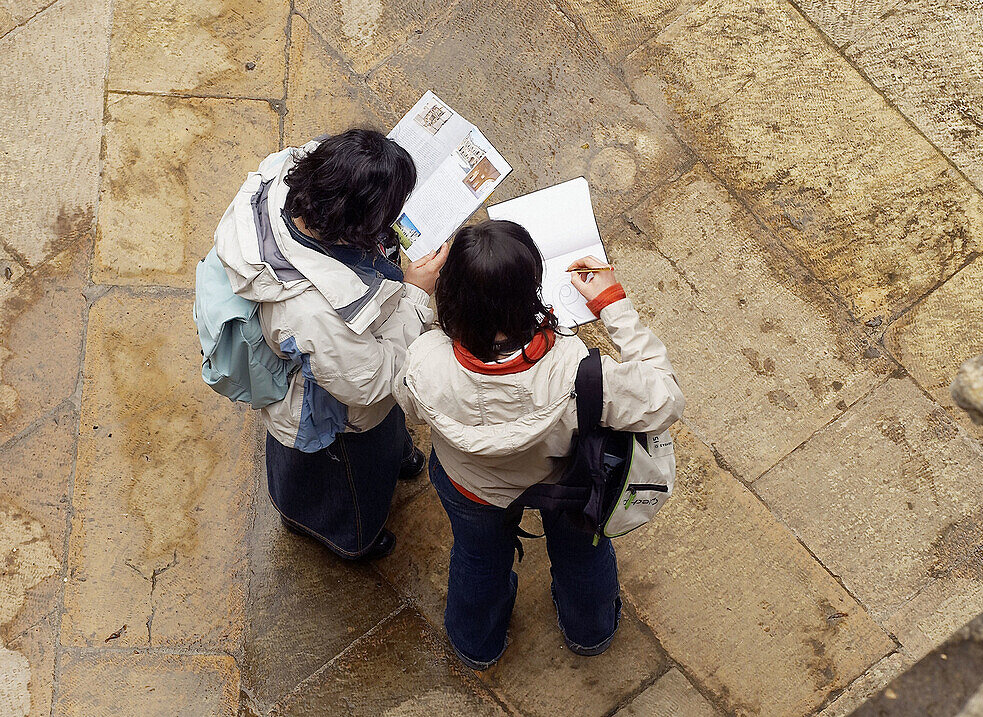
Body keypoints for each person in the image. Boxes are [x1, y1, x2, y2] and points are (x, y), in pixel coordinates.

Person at [394, 219, 684, 668]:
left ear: (450, 295)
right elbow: (664, 398)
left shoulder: (423, 357)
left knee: (477, 560)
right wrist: (614, 306)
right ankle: (590, 633)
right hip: (567, 485)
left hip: (470, 486)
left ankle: (477, 646)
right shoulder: (578, 370)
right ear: (530, 291)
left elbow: (410, 408)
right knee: (582, 556)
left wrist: (415, 296)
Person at [213, 129, 448, 560]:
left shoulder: (294, 175)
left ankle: (395, 458)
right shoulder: (310, 312)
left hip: (343, 363)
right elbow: (371, 383)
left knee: (385, 441)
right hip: (331, 415)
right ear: (355, 225)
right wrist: (415, 293)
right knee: (347, 487)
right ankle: (348, 538)